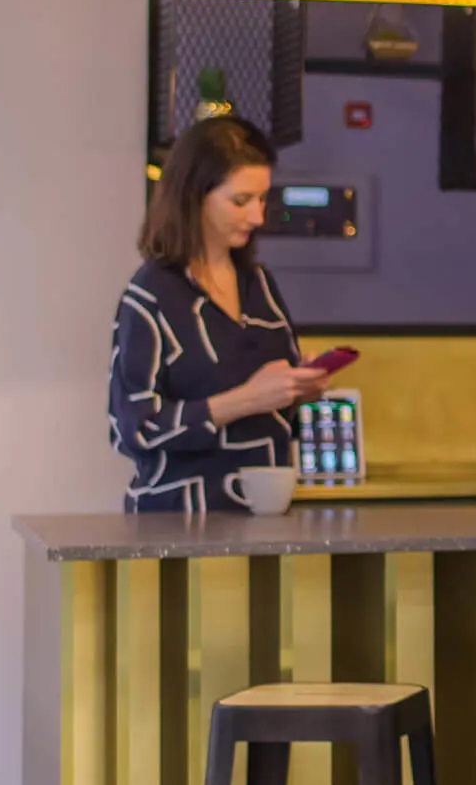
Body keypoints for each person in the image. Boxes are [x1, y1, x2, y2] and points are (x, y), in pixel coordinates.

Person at [109, 116, 326, 512]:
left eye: (262, 199)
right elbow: (134, 429)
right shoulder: (151, 295)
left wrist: (296, 389)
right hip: (177, 523)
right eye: (240, 201)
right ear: (194, 196)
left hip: (263, 516)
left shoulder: (259, 286)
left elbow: (274, 415)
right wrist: (246, 399)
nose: (257, 217)